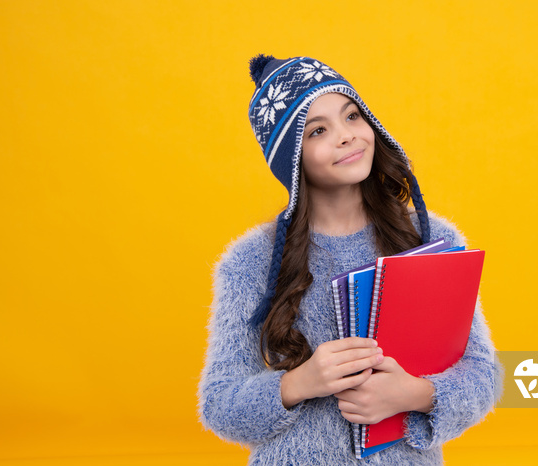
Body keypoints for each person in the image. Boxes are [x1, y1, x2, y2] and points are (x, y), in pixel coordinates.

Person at [198, 54, 503, 465]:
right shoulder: (249, 263)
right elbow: (219, 405)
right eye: (318, 130)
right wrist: (298, 384)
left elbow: (484, 375)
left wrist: (414, 394)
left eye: (353, 116)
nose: (346, 136)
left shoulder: (432, 239)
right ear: (291, 157)